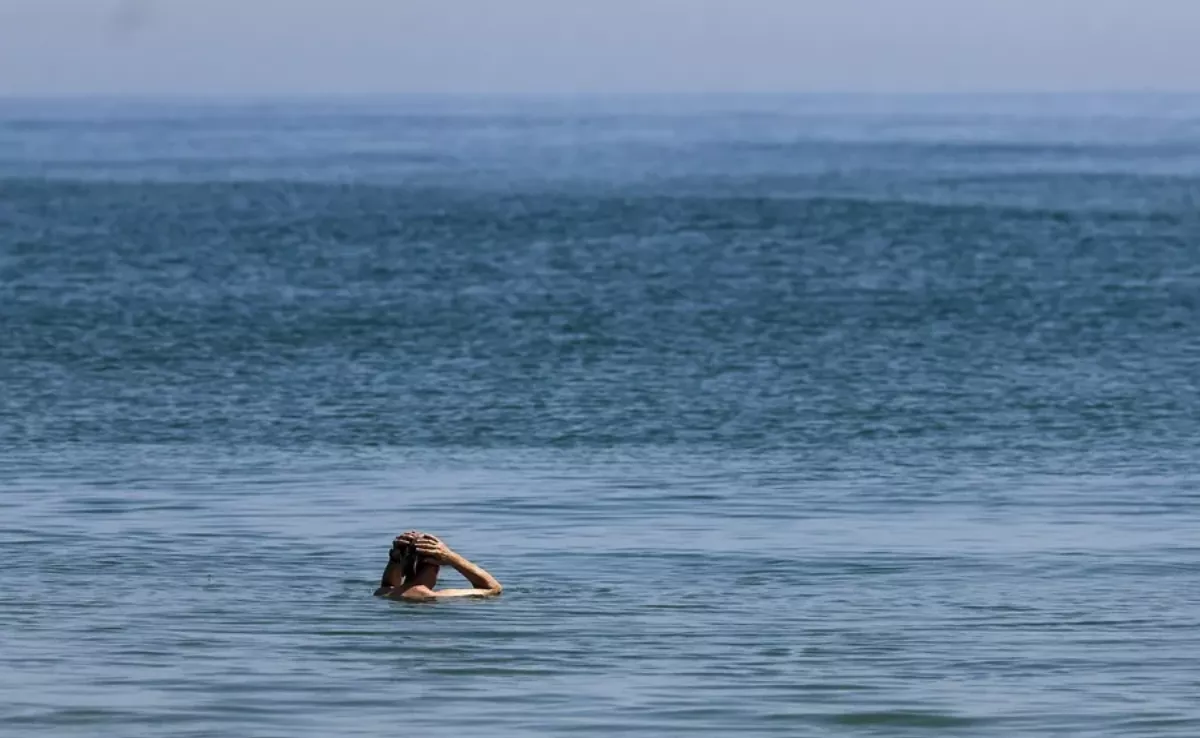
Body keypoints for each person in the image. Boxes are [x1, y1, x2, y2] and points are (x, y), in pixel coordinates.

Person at [374, 531, 503, 601]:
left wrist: (395, 560)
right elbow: (494, 588)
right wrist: (451, 557)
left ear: (404, 564)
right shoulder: (434, 596)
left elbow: (388, 584)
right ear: (436, 566)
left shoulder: (383, 593)